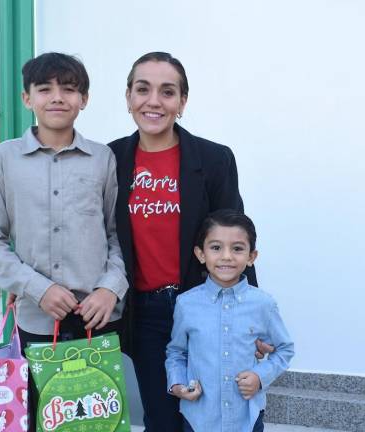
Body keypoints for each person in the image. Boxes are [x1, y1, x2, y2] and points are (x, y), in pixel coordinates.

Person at [108, 51, 268, 431]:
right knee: (162, 421)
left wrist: (254, 317)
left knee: (223, 417)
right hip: (145, 314)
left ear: (182, 102)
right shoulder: (111, 159)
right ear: (128, 96)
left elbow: (236, 237)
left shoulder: (213, 159)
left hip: (209, 309)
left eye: (168, 92)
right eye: (143, 89)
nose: (154, 101)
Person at [0, 52, 128, 430]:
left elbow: (117, 234)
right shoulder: (5, 158)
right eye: (45, 89)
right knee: (45, 418)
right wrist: (37, 288)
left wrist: (110, 289)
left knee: (97, 417)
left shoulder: (102, 158)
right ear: (27, 98)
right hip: (37, 318)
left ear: (84, 99)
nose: (57, 97)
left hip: (98, 317)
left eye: (69, 89)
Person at [165, 210, 295, 432]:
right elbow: (177, 352)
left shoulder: (263, 304)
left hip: (247, 417)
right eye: (216, 247)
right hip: (199, 417)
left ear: (251, 257)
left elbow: (285, 350)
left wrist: (259, 377)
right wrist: (177, 384)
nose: (226, 256)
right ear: (201, 254)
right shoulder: (186, 304)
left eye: (237, 249)